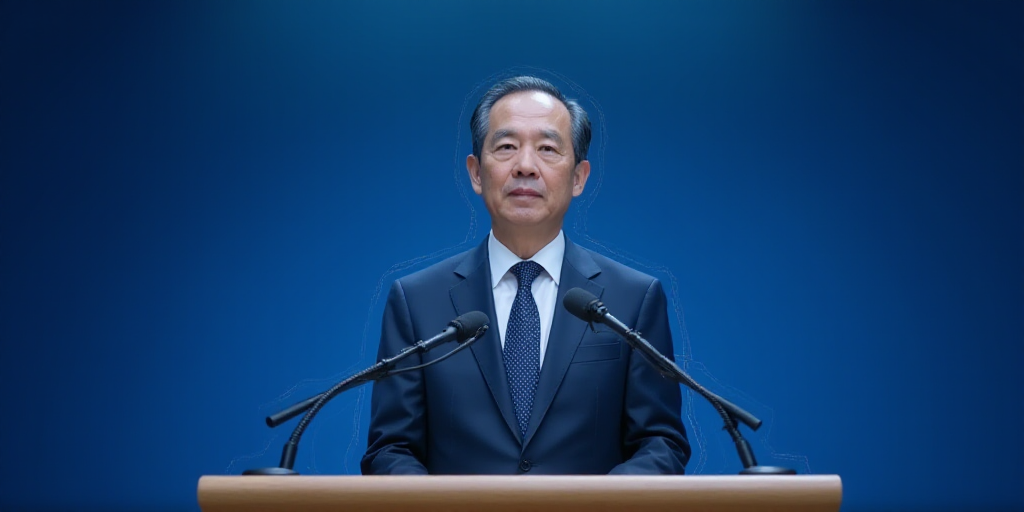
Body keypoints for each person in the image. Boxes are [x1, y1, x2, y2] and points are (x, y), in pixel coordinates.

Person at [361, 76, 690, 475]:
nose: (525, 166)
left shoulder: (632, 300)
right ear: (476, 173)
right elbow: (390, 450)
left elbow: (660, 442)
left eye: (548, 149)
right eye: (506, 147)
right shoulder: (416, 302)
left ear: (579, 177)